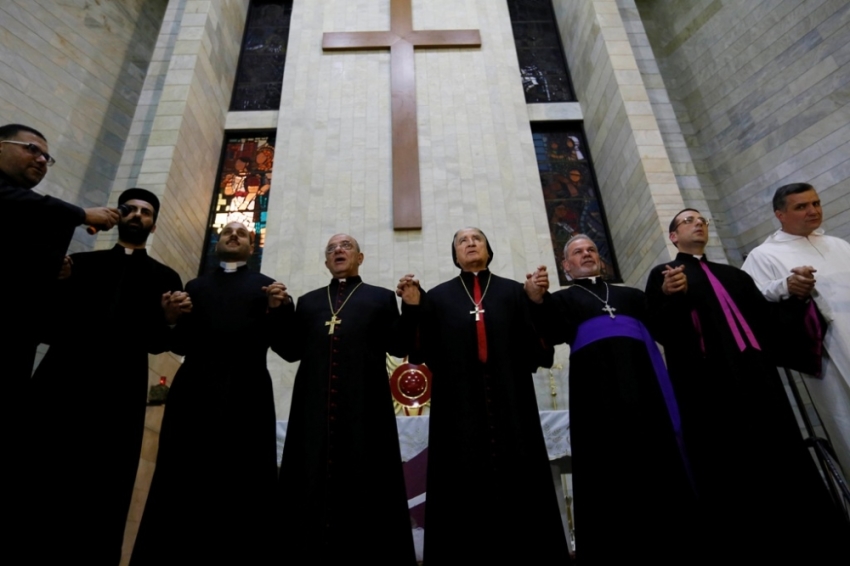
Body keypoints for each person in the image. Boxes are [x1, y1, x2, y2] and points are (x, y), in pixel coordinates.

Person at [645, 209, 847, 561]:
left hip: (758, 376)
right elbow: (662, 330)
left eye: (702, 220)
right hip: (709, 385)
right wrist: (668, 295)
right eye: (688, 220)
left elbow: (769, 323)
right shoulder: (665, 274)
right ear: (674, 236)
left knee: (781, 449)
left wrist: (796, 296)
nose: (698, 223)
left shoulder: (733, 276)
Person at [23, 188, 184, 564]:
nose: (137, 215)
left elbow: (158, 344)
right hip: (62, 383)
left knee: (106, 485)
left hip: (119, 391)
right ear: (117, 215)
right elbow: (46, 326)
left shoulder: (166, 276)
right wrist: (58, 284)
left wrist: (170, 319)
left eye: (146, 212)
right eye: (131, 209)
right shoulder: (79, 265)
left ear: (154, 224)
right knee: (42, 472)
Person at [526, 235, 695, 563]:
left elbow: (665, 328)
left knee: (659, 457)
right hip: (596, 396)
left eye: (591, 250)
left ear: (601, 260)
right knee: (606, 465)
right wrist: (535, 299)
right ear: (566, 265)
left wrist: (673, 296)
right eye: (577, 252)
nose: (586, 254)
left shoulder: (630, 295)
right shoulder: (562, 300)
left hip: (646, 389)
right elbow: (549, 333)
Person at [131, 221, 288, 565]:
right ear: (218, 242)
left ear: (252, 247)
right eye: (228, 231)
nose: (233, 235)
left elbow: (286, 346)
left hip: (247, 396)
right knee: (181, 479)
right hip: (194, 394)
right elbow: (180, 343)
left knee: (243, 483)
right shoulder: (195, 287)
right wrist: (171, 318)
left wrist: (279, 310)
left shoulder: (267, 288)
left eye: (242, 233)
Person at [410, 228, 571, 564]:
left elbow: (543, 344)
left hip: (512, 402)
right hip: (458, 410)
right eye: (462, 241)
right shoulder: (438, 298)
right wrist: (413, 306)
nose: (470, 243)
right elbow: (418, 349)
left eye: (477, 239)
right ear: (455, 254)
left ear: (488, 249)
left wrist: (537, 300)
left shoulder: (515, 292)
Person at [276, 234, 418, 564]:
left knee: (366, 484)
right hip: (312, 412)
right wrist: (279, 311)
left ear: (360, 258)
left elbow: (399, 346)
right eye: (331, 249)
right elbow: (289, 350)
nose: (338, 251)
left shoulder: (380, 298)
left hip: (365, 411)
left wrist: (411, 307)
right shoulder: (308, 302)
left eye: (346, 246)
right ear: (326, 261)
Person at [742, 183, 850, 473]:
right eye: (801, 206)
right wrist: (786, 285)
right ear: (780, 214)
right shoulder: (763, 255)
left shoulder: (838, 244)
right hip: (827, 350)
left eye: (815, 203)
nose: (813, 211)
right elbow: (749, 300)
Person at [0, 123, 119, 383]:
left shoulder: (22, 205)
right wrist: (82, 214)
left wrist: (53, 264)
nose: (42, 160)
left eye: (47, 157)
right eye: (32, 149)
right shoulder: (17, 201)